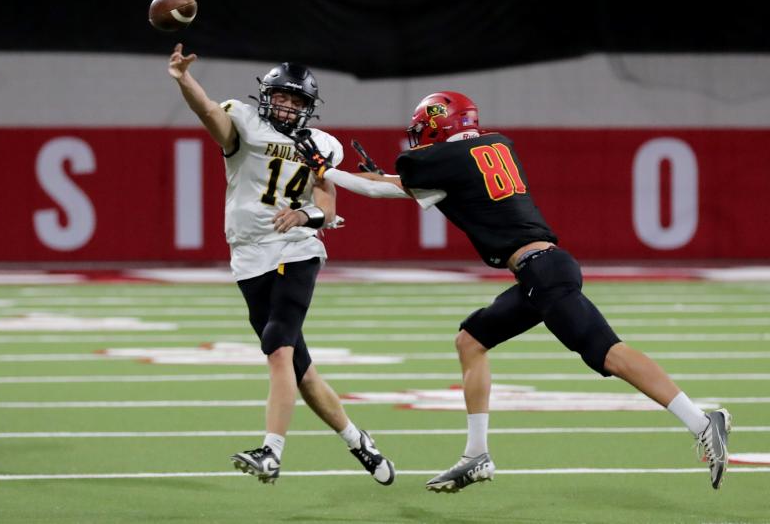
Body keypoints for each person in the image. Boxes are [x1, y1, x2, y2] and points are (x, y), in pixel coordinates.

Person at [294, 90, 731, 492]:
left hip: (542, 273)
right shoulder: (493, 145)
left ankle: (701, 422)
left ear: (438, 123)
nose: (419, 141)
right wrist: (352, 175)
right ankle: (476, 455)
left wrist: (324, 170)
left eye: (424, 131)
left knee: (607, 352)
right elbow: (398, 185)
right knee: (472, 339)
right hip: (540, 272)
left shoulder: (445, 159)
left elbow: (385, 186)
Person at [167, 44, 394, 486]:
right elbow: (210, 114)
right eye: (282, 97)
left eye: (296, 100)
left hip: (297, 247)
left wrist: (304, 215)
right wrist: (183, 79)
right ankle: (357, 440)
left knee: (278, 347)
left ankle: (270, 452)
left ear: (308, 108)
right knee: (301, 372)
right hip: (249, 254)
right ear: (267, 96)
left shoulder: (321, 144)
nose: (288, 105)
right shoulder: (245, 123)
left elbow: (327, 205)